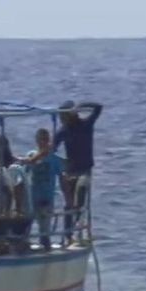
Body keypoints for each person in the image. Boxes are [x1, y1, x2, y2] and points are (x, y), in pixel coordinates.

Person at [53, 100, 103, 245]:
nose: (63, 119)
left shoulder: (86, 124)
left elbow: (98, 108)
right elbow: (52, 148)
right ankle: (68, 236)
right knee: (69, 205)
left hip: (84, 171)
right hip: (70, 171)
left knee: (80, 195)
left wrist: (80, 106)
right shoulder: (64, 130)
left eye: (65, 116)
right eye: (62, 117)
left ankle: (76, 228)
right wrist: (61, 162)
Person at [20, 128, 65, 250]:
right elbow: (23, 175)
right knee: (26, 228)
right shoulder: (31, 155)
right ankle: (24, 248)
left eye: (46, 140)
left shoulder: (54, 159)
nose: (44, 142)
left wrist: (67, 196)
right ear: (37, 141)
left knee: (45, 230)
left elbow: (61, 176)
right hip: (32, 198)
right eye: (41, 140)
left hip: (47, 198)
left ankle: (46, 251)